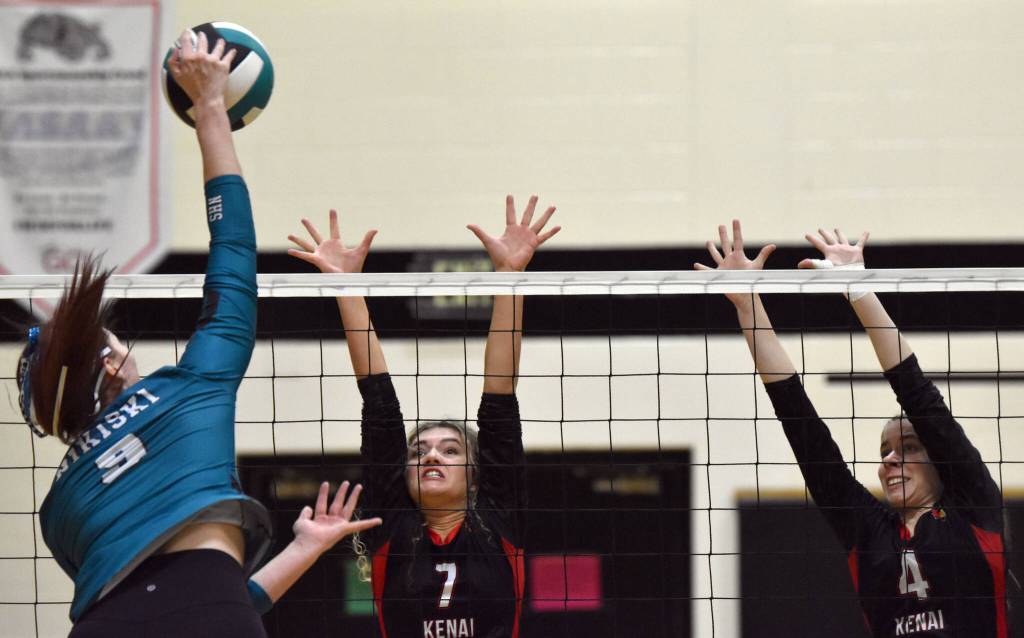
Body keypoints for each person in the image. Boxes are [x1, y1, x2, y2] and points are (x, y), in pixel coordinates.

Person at [16, 32, 380, 637]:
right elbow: (232, 254)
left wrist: (303, 549)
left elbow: (169, 601)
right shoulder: (188, 392)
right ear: (108, 368)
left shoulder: (59, 508)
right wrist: (211, 109)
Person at [696, 221, 1008, 637]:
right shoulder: (869, 530)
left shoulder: (974, 507)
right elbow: (805, 432)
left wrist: (858, 289)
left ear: (940, 460)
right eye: (884, 452)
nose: (890, 461)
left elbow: (919, 396)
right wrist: (748, 307)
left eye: (908, 448)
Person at [287, 196, 560, 637]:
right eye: (419, 450)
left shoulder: (498, 519)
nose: (431, 456)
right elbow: (378, 406)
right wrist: (345, 287)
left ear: (476, 474)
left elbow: (500, 399)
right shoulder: (391, 524)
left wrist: (510, 278)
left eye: (450, 450)